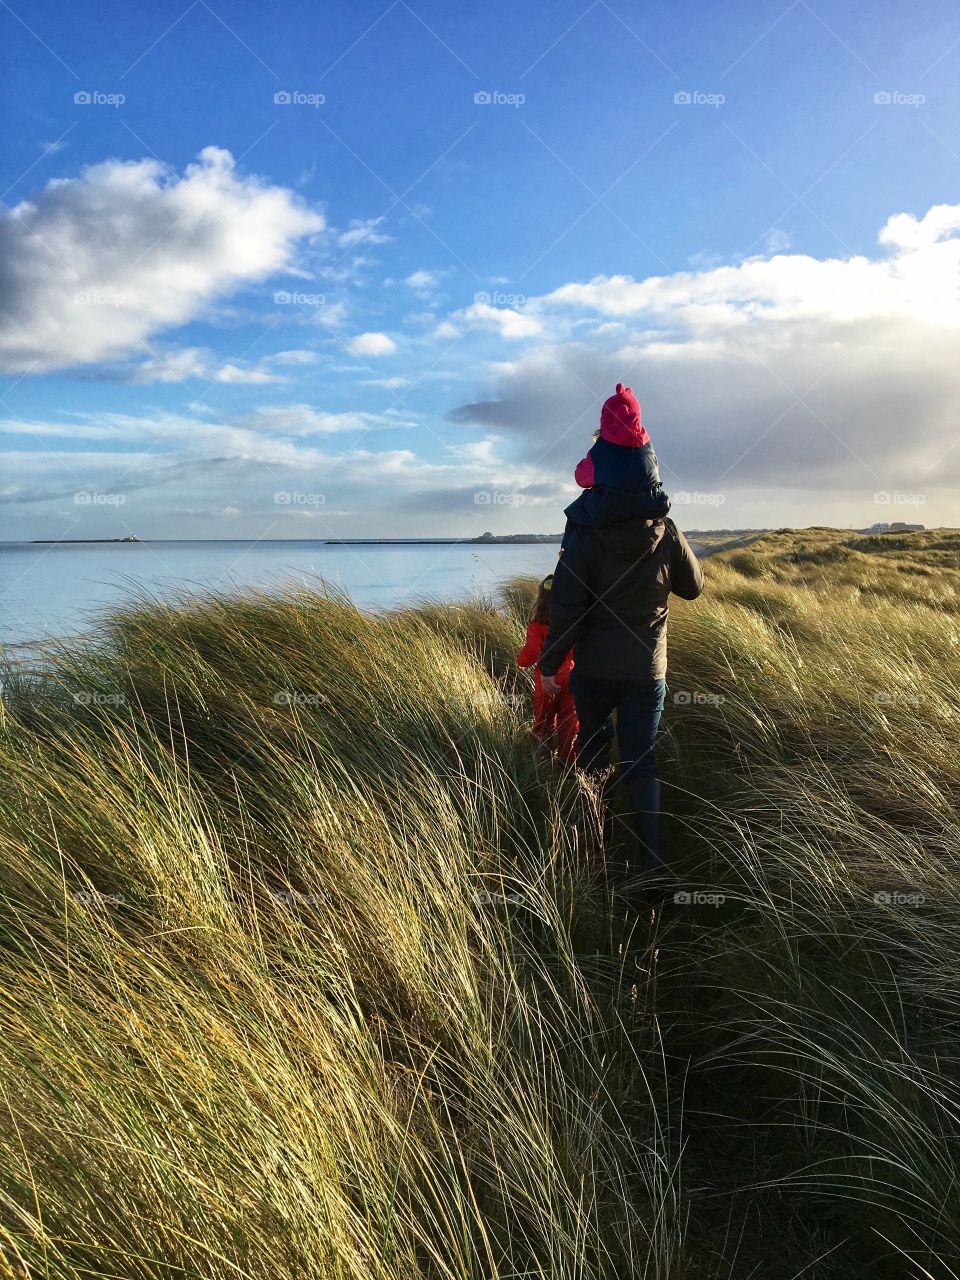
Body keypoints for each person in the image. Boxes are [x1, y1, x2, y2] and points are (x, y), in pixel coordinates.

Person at [538, 514, 704, 888]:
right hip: (645, 670)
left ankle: (598, 848)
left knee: (593, 751)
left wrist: (549, 663)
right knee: (640, 759)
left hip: (594, 669)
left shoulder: (585, 529)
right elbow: (693, 587)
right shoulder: (665, 527)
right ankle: (652, 866)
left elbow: (566, 606)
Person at [563, 384, 670, 542]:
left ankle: (565, 553)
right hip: (650, 505)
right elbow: (654, 476)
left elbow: (581, 479)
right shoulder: (648, 447)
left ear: (606, 420)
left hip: (610, 508)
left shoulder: (601, 448)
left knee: (575, 511)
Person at [516, 574, 578, 763]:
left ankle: (542, 759)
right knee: (570, 720)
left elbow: (533, 650)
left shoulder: (537, 624)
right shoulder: (573, 620)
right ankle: (568, 762)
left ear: (541, 598)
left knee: (544, 719)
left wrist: (521, 662)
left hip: (546, 677)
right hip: (571, 674)